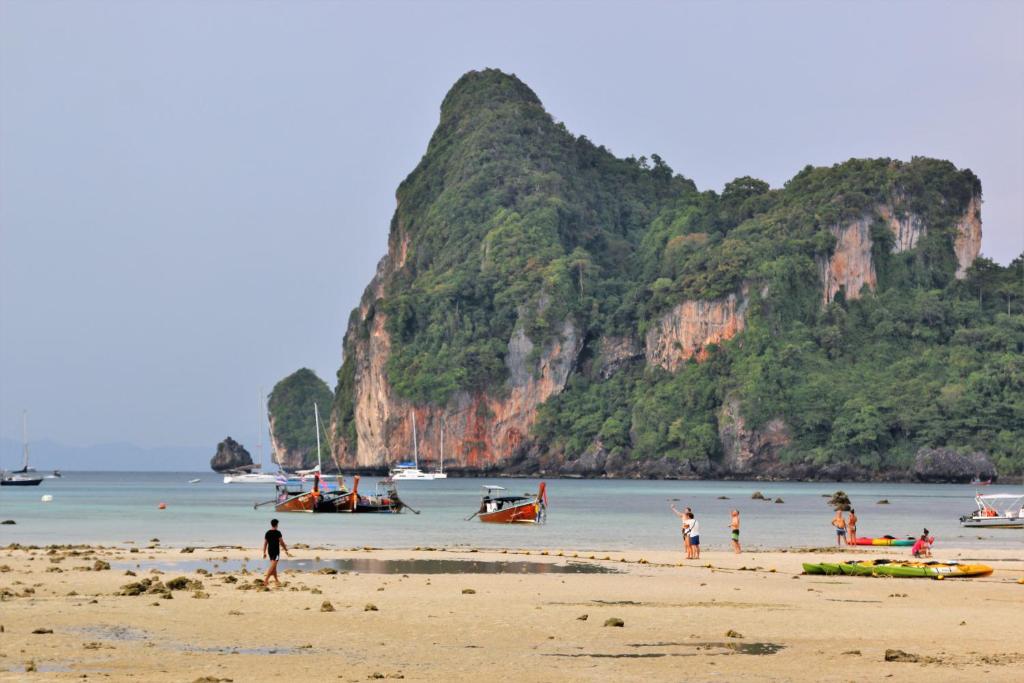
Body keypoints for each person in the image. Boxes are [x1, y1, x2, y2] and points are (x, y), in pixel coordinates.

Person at [262, 518, 290, 587]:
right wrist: (286, 549)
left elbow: (265, 543)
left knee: (274, 566)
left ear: (271, 524)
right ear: (277, 525)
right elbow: (282, 542)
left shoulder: (267, 532)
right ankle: (266, 580)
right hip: (276, 551)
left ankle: (276, 580)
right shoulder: (278, 532)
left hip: (270, 551)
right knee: (273, 565)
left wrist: (264, 552)